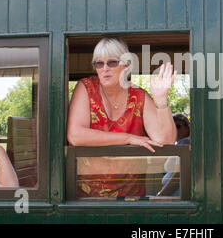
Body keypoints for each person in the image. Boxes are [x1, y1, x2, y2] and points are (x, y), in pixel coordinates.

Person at [67, 37, 177, 197]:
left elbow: (165, 140)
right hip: (87, 198)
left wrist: (161, 100)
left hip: (131, 197)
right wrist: (128, 138)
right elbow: (75, 136)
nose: (105, 68)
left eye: (111, 62)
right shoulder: (85, 87)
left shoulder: (139, 96)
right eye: (99, 63)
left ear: (126, 64)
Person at [157, 113, 190, 197]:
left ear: (187, 127)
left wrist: (161, 195)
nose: (175, 130)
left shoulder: (185, 143)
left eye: (178, 126)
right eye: (172, 127)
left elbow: (178, 176)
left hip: (177, 197)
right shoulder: (178, 144)